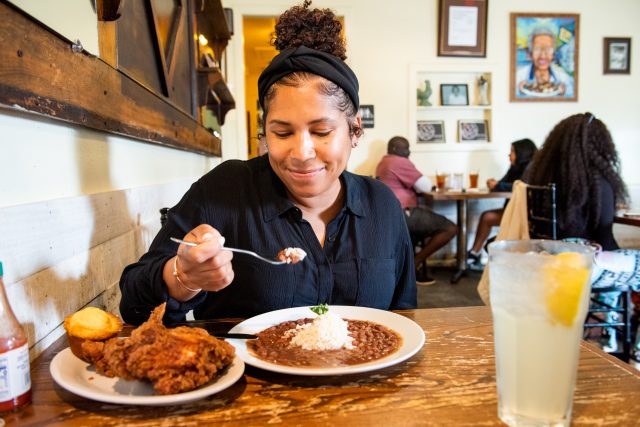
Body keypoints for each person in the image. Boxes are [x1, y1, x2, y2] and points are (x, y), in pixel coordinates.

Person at [119, 0, 416, 325]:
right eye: (282, 132)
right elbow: (133, 306)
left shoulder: (382, 206)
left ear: (354, 129)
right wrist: (182, 278)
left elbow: (405, 317)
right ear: (265, 132)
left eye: (321, 131)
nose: (302, 152)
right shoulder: (225, 191)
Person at [525, 112, 640, 354]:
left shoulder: (543, 177)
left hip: (547, 259)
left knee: (615, 261)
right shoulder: (599, 180)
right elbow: (605, 236)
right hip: (582, 265)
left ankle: (598, 329)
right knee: (624, 261)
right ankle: (619, 340)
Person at [375, 136, 457, 285]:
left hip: (388, 215)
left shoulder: (383, 162)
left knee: (420, 226)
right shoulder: (399, 161)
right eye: (406, 148)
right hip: (403, 213)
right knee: (450, 228)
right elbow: (425, 186)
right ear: (395, 149)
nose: (409, 151)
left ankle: (409, 269)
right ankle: (414, 264)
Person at [467, 138, 537, 264]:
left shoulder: (531, 169)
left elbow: (519, 186)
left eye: (512, 151)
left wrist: (497, 185)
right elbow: (504, 184)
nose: (509, 155)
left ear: (522, 153)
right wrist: (495, 184)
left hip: (524, 214)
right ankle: (474, 252)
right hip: (513, 209)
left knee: (487, 217)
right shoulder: (515, 168)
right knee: (486, 217)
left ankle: (474, 252)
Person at [516, 26, 574, 98]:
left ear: (553, 54)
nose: (543, 56)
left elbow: (572, 94)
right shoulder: (518, 77)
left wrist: (564, 91)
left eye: (548, 49)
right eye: (537, 49)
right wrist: (519, 90)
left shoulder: (563, 78)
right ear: (530, 54)